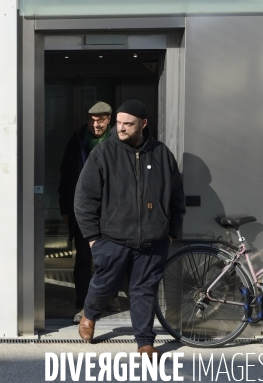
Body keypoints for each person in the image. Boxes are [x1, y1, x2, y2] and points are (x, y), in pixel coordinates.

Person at [74, 99, 185, 359]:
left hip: (153, 240)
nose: (121, 128)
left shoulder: (161, 154)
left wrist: (171, 233)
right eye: (119, 123)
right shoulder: (103, 153)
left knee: (144, 290)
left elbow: (176, 196)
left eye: (128, 124)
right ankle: (89, 315)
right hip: (112, 238)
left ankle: (145, 342)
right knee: (104, 284)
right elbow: (84, 198)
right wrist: (93, 239)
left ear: (143, 124)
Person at [58, 101, 121, 324]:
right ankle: (82, 305)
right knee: (83, 258)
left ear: (109, 120)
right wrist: (65, 207)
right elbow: (66, 176)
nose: (96, 124)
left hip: (112, 211)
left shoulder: (117, 142)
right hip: (83, 210)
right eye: (92, 120)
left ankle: (110, 297)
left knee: (111, 258)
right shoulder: (77, 141)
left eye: (101, 120)